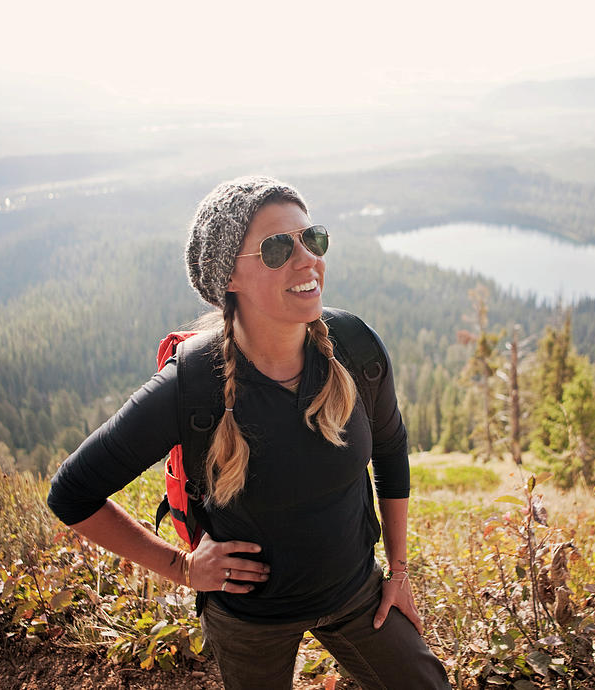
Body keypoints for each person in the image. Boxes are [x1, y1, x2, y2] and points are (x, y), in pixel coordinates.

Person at [47, 176, 450, 689]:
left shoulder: (354, 347)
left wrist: (398, 572)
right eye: (279, 248)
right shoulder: (190, 387)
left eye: (313, 239)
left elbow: (390, 448)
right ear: (228, 278)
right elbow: (72, 493)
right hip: (250, 621)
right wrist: (182, 567)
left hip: (357, 596)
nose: (307, 260)